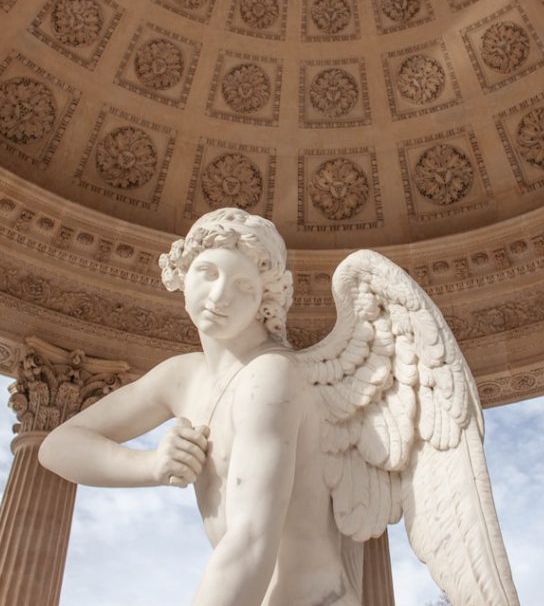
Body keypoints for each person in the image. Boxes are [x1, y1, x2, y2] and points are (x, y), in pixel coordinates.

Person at [38, 208, 357, 606]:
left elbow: (251, 540)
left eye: (243, 285)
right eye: (208, 272)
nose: (220, 295)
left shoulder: (270, 375)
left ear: (265, 300)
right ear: (182, 273)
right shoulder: (183, 376)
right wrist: (151, 465)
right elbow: (57, 447)